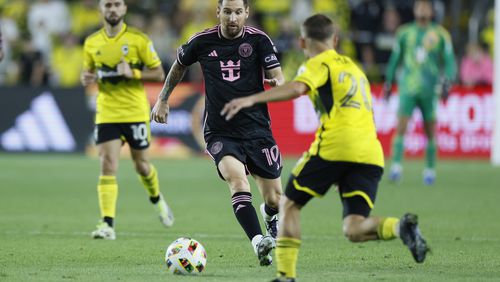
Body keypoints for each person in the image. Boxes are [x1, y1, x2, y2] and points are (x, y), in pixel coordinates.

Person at [221, 14, 429, 281]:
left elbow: (297, 88)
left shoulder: (319, 63)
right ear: (335, 39)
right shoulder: (355, 69)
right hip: (370, 153)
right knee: (354, 227)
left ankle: (285, 276)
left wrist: (251, 99)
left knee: (288, 205)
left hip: (336, 146)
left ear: (302, 42)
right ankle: (401, 228)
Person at [151, 0, 284, 266]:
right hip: (220, 131)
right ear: (218, 13)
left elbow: (277, 75)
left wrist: (275, 81)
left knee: (274, 198)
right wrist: (163, 99)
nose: (232, 18)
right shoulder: (202, 41)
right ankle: (258, 242)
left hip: (257, 128)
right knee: (237, 181)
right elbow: (179, 65)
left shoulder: (259, 40)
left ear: (246, 13)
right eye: (227, 12)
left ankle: (270, 217)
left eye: (237, 12)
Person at [81, 0, 174, 240]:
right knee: (107, 163)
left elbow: (159, 72)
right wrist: (86, 77)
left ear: (124, 9)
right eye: (108, 5)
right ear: (101, 9)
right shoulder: (91, 42)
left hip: (134, 112)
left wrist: (132, 72)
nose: (112, 9)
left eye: (117, 4)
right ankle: (107, 224)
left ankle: (157, 199)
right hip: (107, 112)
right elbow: (89, 72)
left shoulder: (138, 40)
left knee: (141, 165)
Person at [383, 0, 456, 185]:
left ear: (431, 11)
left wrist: (448, 80)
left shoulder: (440, 34)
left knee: (430, 130)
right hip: (408, 87)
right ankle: (396, 167)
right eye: (419, 6)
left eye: (425, 6)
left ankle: (430, 170)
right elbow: (394, 59)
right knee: (401, 126)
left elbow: (449, 61)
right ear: (415, 10)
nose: (422, 9)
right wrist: (389, 81)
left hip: (430, 89)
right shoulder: (404, 33)